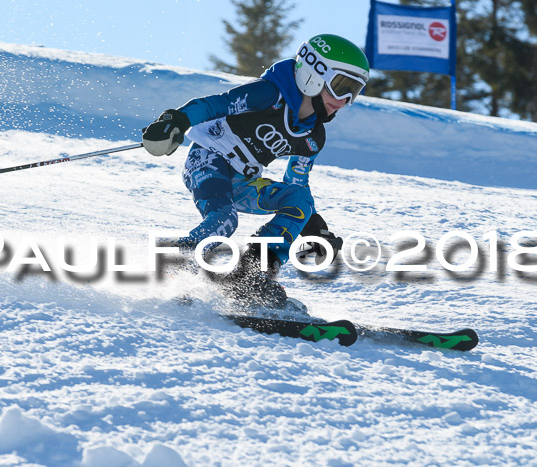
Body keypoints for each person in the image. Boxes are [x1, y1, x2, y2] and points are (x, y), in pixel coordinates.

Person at [142, 34, 369, 309]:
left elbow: (297, 182)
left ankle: (250, 274)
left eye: (353, 92)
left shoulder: (312, 137)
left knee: (299, 199)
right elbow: (216, 104)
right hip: (208, 159)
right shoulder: (268, 95)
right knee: (225, 218)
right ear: (314, 73)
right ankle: (176, 264)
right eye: (341, 86)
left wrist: (314, 227)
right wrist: (175, 120)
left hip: (243, 180)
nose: (344, 100)